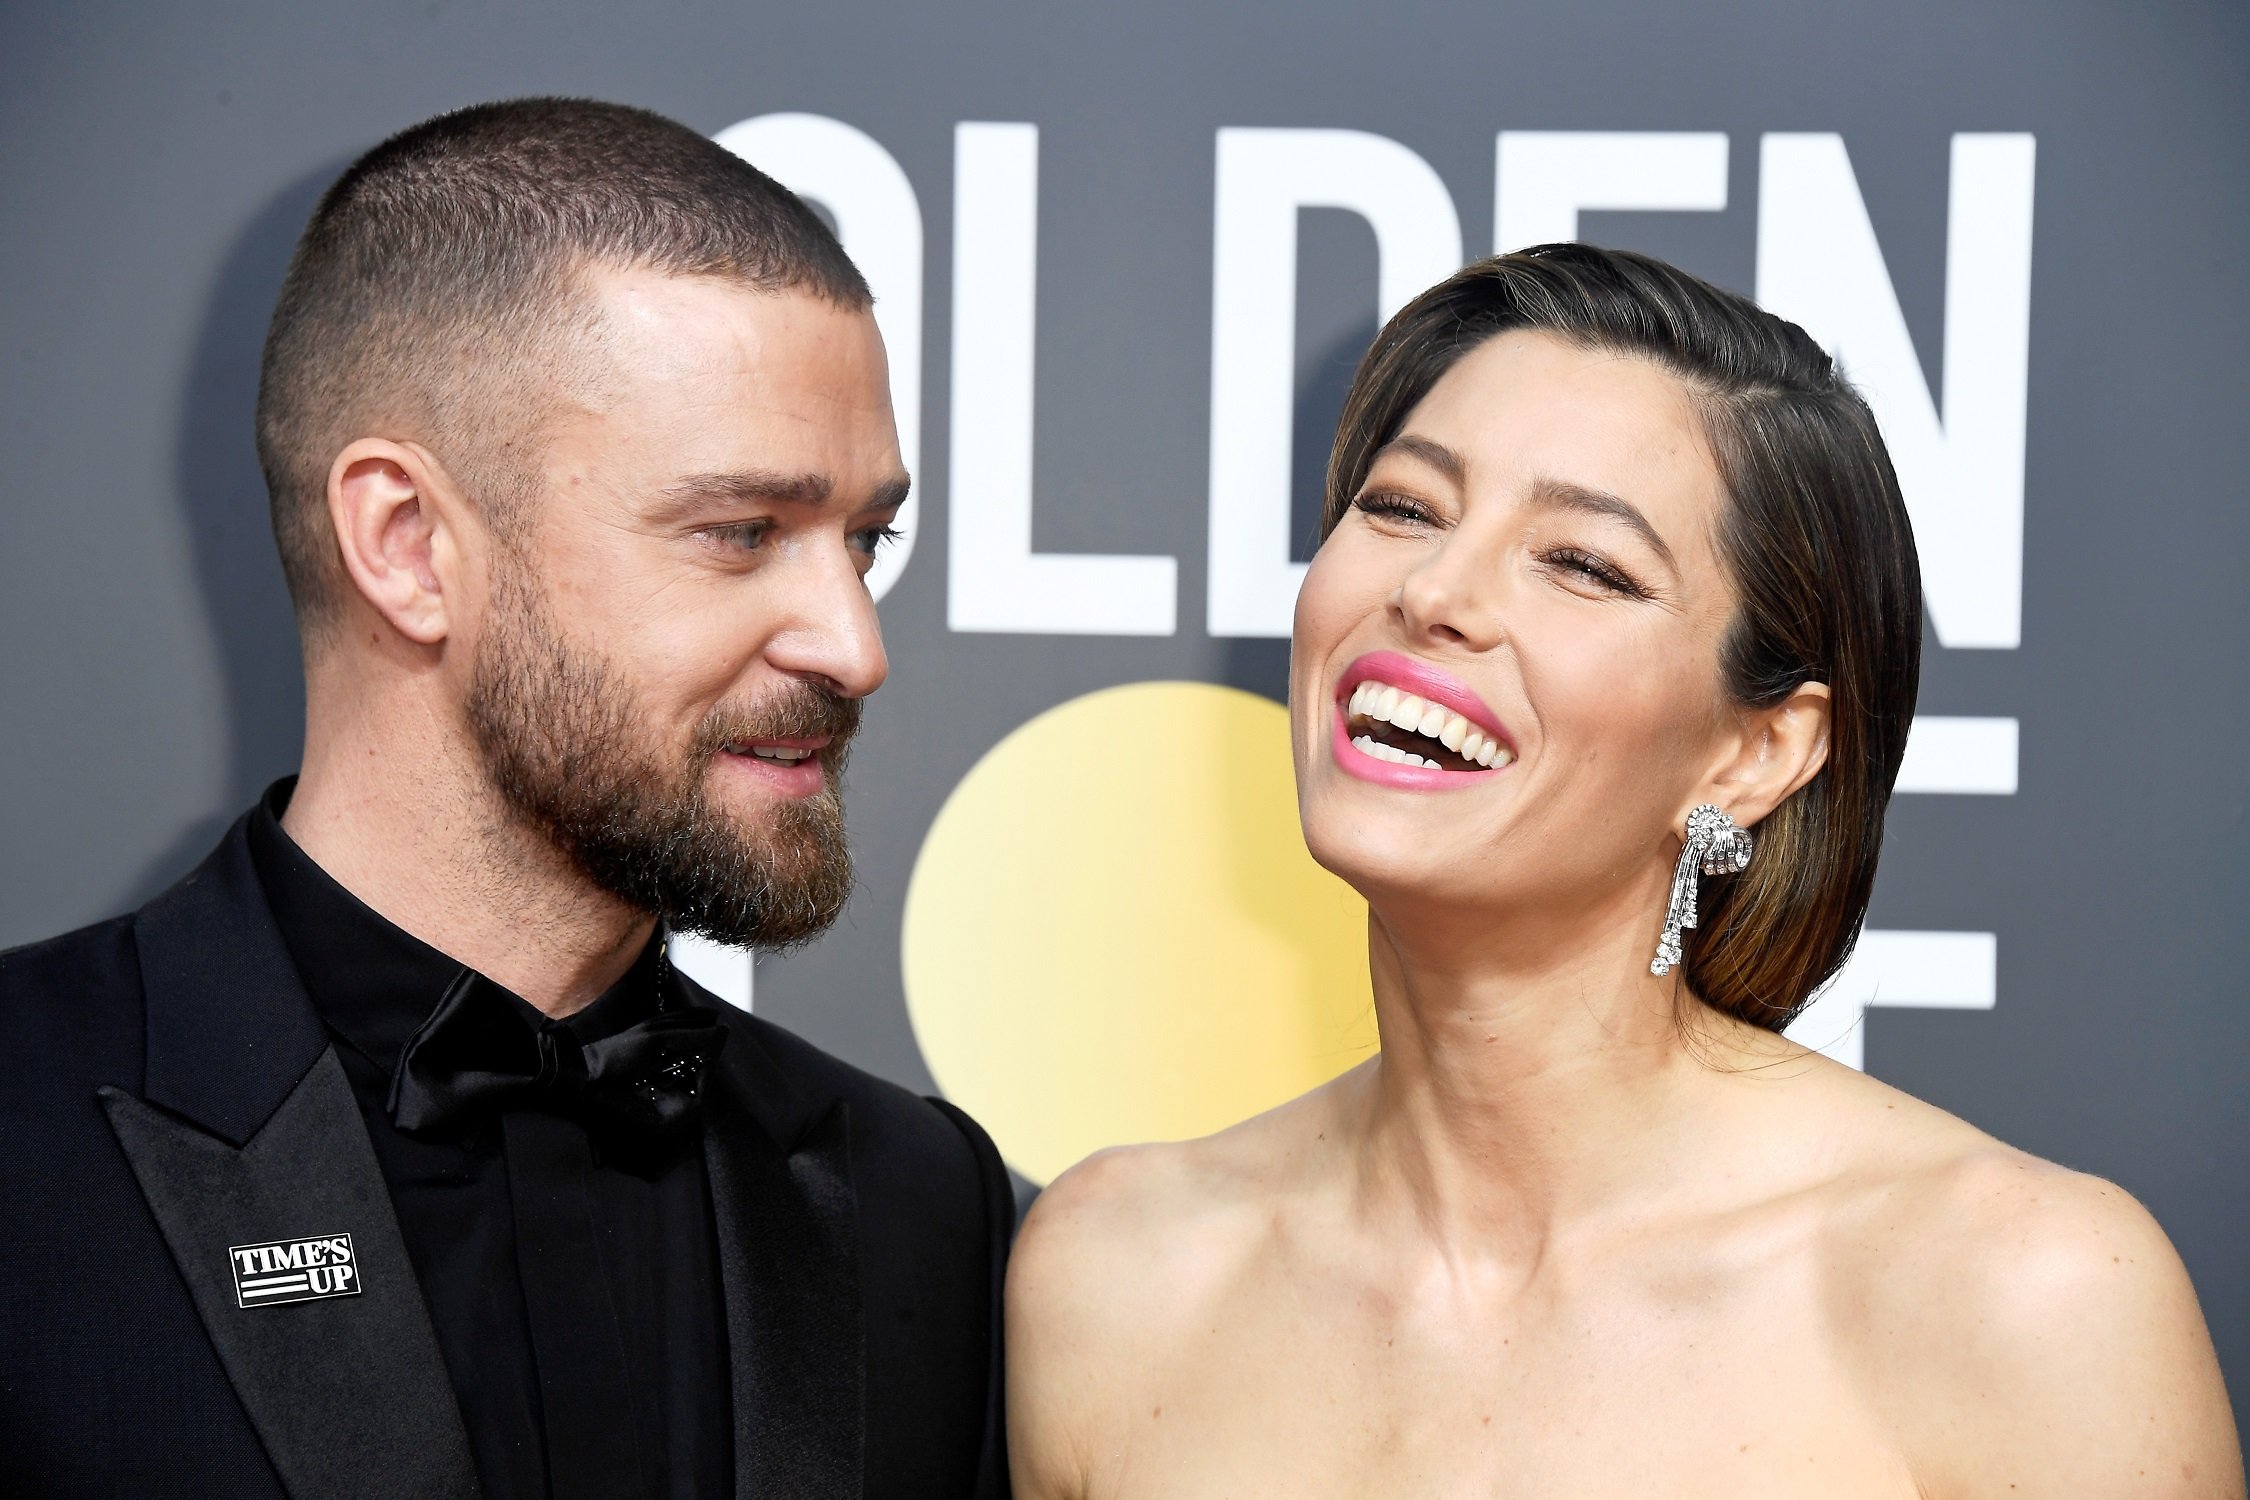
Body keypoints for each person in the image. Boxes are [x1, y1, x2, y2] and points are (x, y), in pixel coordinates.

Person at [1006, 245, 2242, 1498]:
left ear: (1757, 753)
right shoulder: (1113, 1276)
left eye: (1585, 565)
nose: (1436, 592)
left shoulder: (2025, 1297)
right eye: (1403, 507)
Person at [0, 99, 1010, 1500]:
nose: (855, 645)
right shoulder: (22, 1133)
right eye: (740, 533)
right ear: (408, 546)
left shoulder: (917, 1202)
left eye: (863, 538)